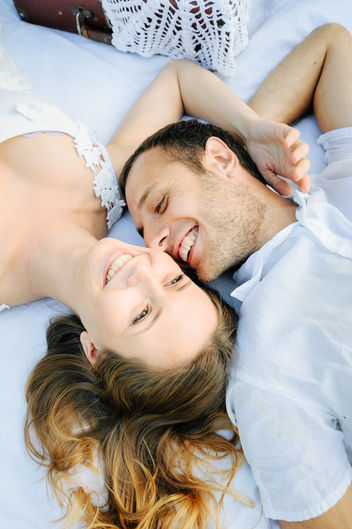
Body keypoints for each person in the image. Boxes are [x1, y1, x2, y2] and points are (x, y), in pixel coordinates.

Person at [119, 23, 352, 529]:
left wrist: (247, 134)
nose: (155, 242)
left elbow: (334, 43)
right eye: (143, 232)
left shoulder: (341, 174)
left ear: (221, 160)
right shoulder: (265, 372)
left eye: (159, 204)